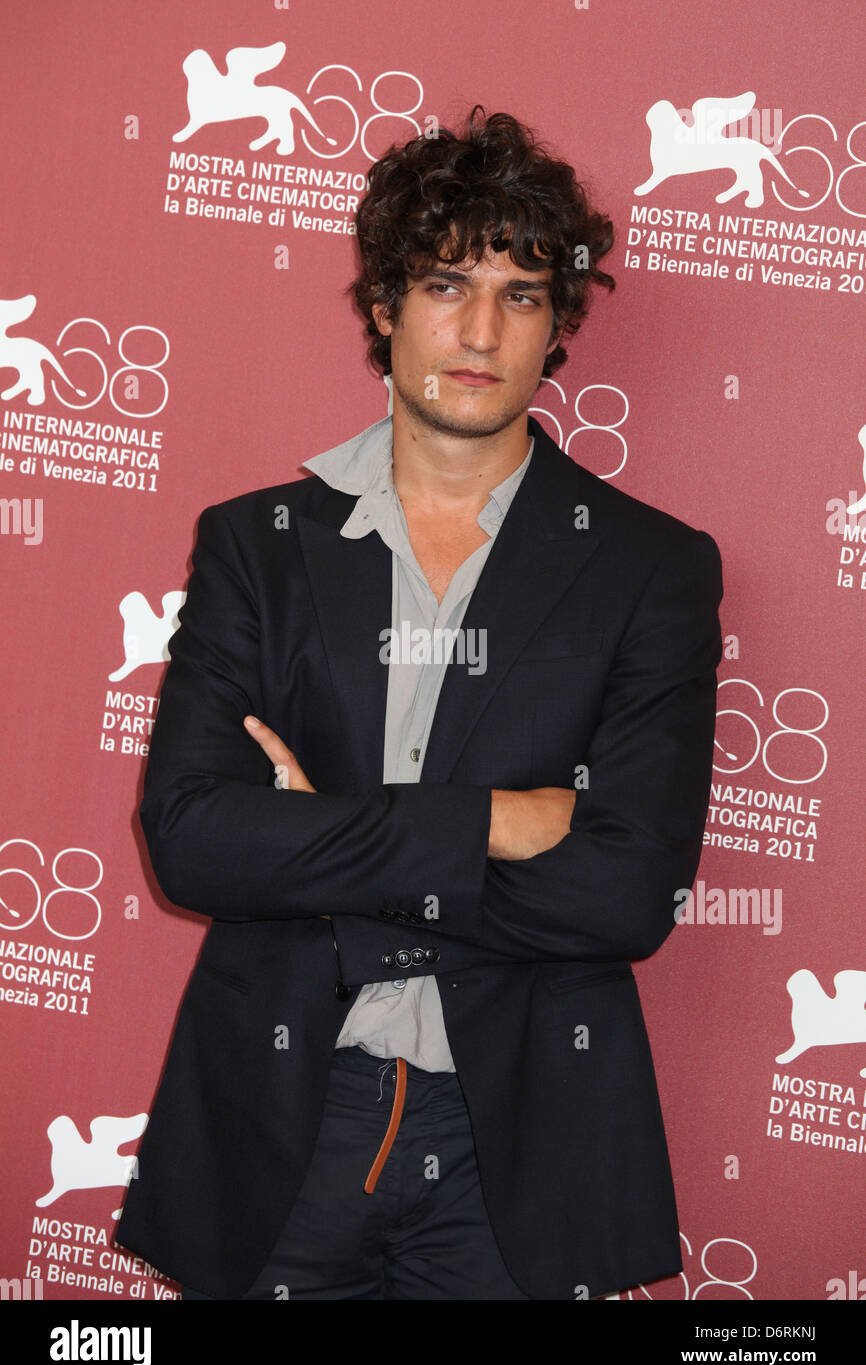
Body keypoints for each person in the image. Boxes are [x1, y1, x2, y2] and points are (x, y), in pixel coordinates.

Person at [114, 106, 723, 1300]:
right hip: (287, 1112)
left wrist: (320, 849)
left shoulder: (649, 565)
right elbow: (192, 843)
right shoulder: (258, 546)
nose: (481, 329)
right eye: (446, 283)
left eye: (522, 294)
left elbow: (624, 888)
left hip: (523, 1132)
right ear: (384, 306)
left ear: (557, 330)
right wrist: (490, 820)